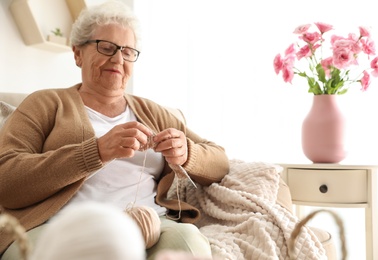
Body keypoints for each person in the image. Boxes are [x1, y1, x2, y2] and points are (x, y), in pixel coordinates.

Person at [0, 1, 229, 259]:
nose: (118, 59)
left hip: (149, 225)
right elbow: (6, 181)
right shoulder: (44, 103)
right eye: (106, 48)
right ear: (78, 54)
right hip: (61, 226)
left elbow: (220, 161)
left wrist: (187, 153)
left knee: (188, 242)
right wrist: (96, 152)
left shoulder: (153, 112)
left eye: (128, 51)